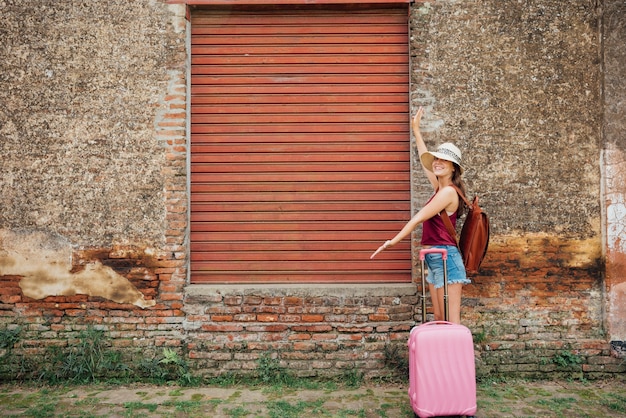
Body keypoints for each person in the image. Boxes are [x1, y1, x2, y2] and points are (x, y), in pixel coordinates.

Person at [370, 107, 470, 324]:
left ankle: (455, 358)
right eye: (436, 159)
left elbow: (418, 218)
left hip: (447, 259)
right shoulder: (439, 188)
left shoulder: (448, 192)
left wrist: (392, 241)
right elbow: (426, 162)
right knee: (440, 319)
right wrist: (416, 130)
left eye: (443, 160)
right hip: (435, 258)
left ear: (453, 167)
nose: (437, 162)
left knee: (451, 322)